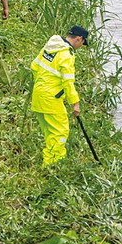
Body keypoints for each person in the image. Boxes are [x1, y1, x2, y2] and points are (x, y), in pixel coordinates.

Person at [31, 25, 88, 166]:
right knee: (60, 131)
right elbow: (68, 82)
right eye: (83, 43)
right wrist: (75, 103)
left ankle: (48, 160)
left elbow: (34, 66)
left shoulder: (50, 47)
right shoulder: (66, 54)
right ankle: (53, 163)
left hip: (38, 94)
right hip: (51, 99)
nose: (81, 46)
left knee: (49, 131)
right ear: (79, 39)